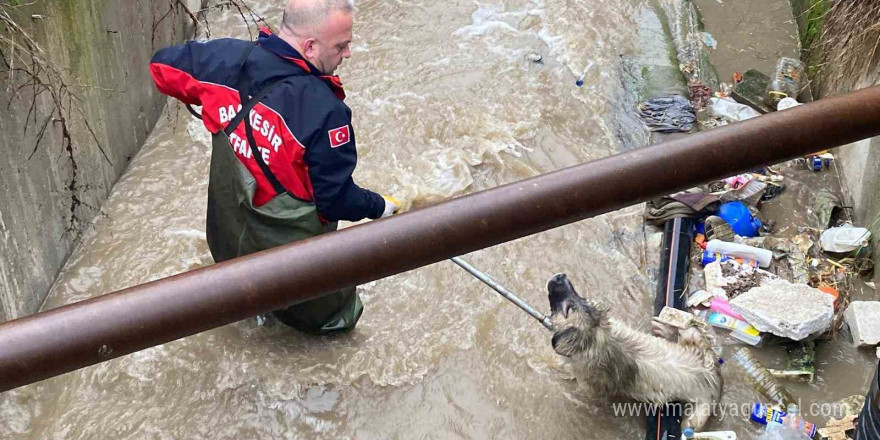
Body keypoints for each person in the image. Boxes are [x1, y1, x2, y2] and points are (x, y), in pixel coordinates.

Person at [149, 0, 397, 334]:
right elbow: (336, 201)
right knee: (334, 329)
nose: (348, 54)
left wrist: (216, 106)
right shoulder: (325, 112)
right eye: (341, 45)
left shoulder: (225, 60)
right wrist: (380, 207)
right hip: (291, 258)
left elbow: (160, 67)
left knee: (239, 304)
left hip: (231, 236)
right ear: (309, 47)